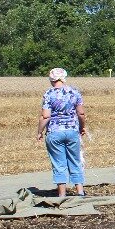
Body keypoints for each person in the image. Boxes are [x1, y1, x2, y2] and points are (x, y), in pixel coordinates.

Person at [37, 67, 87, 197]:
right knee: (75, 161)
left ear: (51, 79)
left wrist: (39, 131)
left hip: (54, 133)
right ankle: (80, 191)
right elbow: (81, 113)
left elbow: (45, 116)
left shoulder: (48, 94)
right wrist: (82, 127)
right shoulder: (74, 92)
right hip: (72, 131)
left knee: (59, 164)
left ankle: (62, 195)